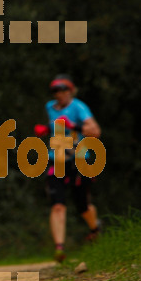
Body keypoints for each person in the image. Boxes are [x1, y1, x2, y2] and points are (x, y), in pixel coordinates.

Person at [34, 75, 101, 262]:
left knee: (83, 205)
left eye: (62, 90)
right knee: (57, 204)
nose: (59, 94)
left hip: (79, 160)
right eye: (55, 90)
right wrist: (46, 129)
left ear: (70, 90)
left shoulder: (79, 107)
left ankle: (95, 229)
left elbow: (95, 132)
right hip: (57, 160)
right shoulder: (49, 107)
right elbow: (55, 127)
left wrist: (75, 126)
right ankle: (59, 248)